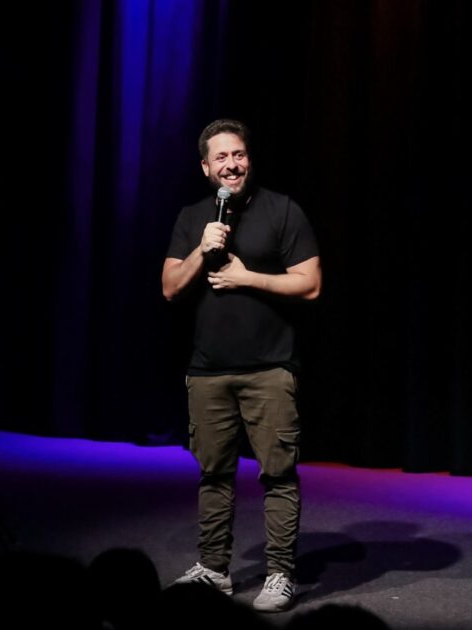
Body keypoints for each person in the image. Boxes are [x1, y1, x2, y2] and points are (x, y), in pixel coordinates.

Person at [161, 119, 322, 612]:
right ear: (206, 167)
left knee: (278, 473)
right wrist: (201, 247)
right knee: (213, 473)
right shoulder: (193, 217)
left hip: (269, 367)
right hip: (208, 369)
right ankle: (214, 569)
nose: (232, 165)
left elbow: (310, 284)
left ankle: (279, 574)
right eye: (221, 158)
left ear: (248, 159)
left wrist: (247, 277)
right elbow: (170, 287)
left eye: (239, 155)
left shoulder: (282, 210)